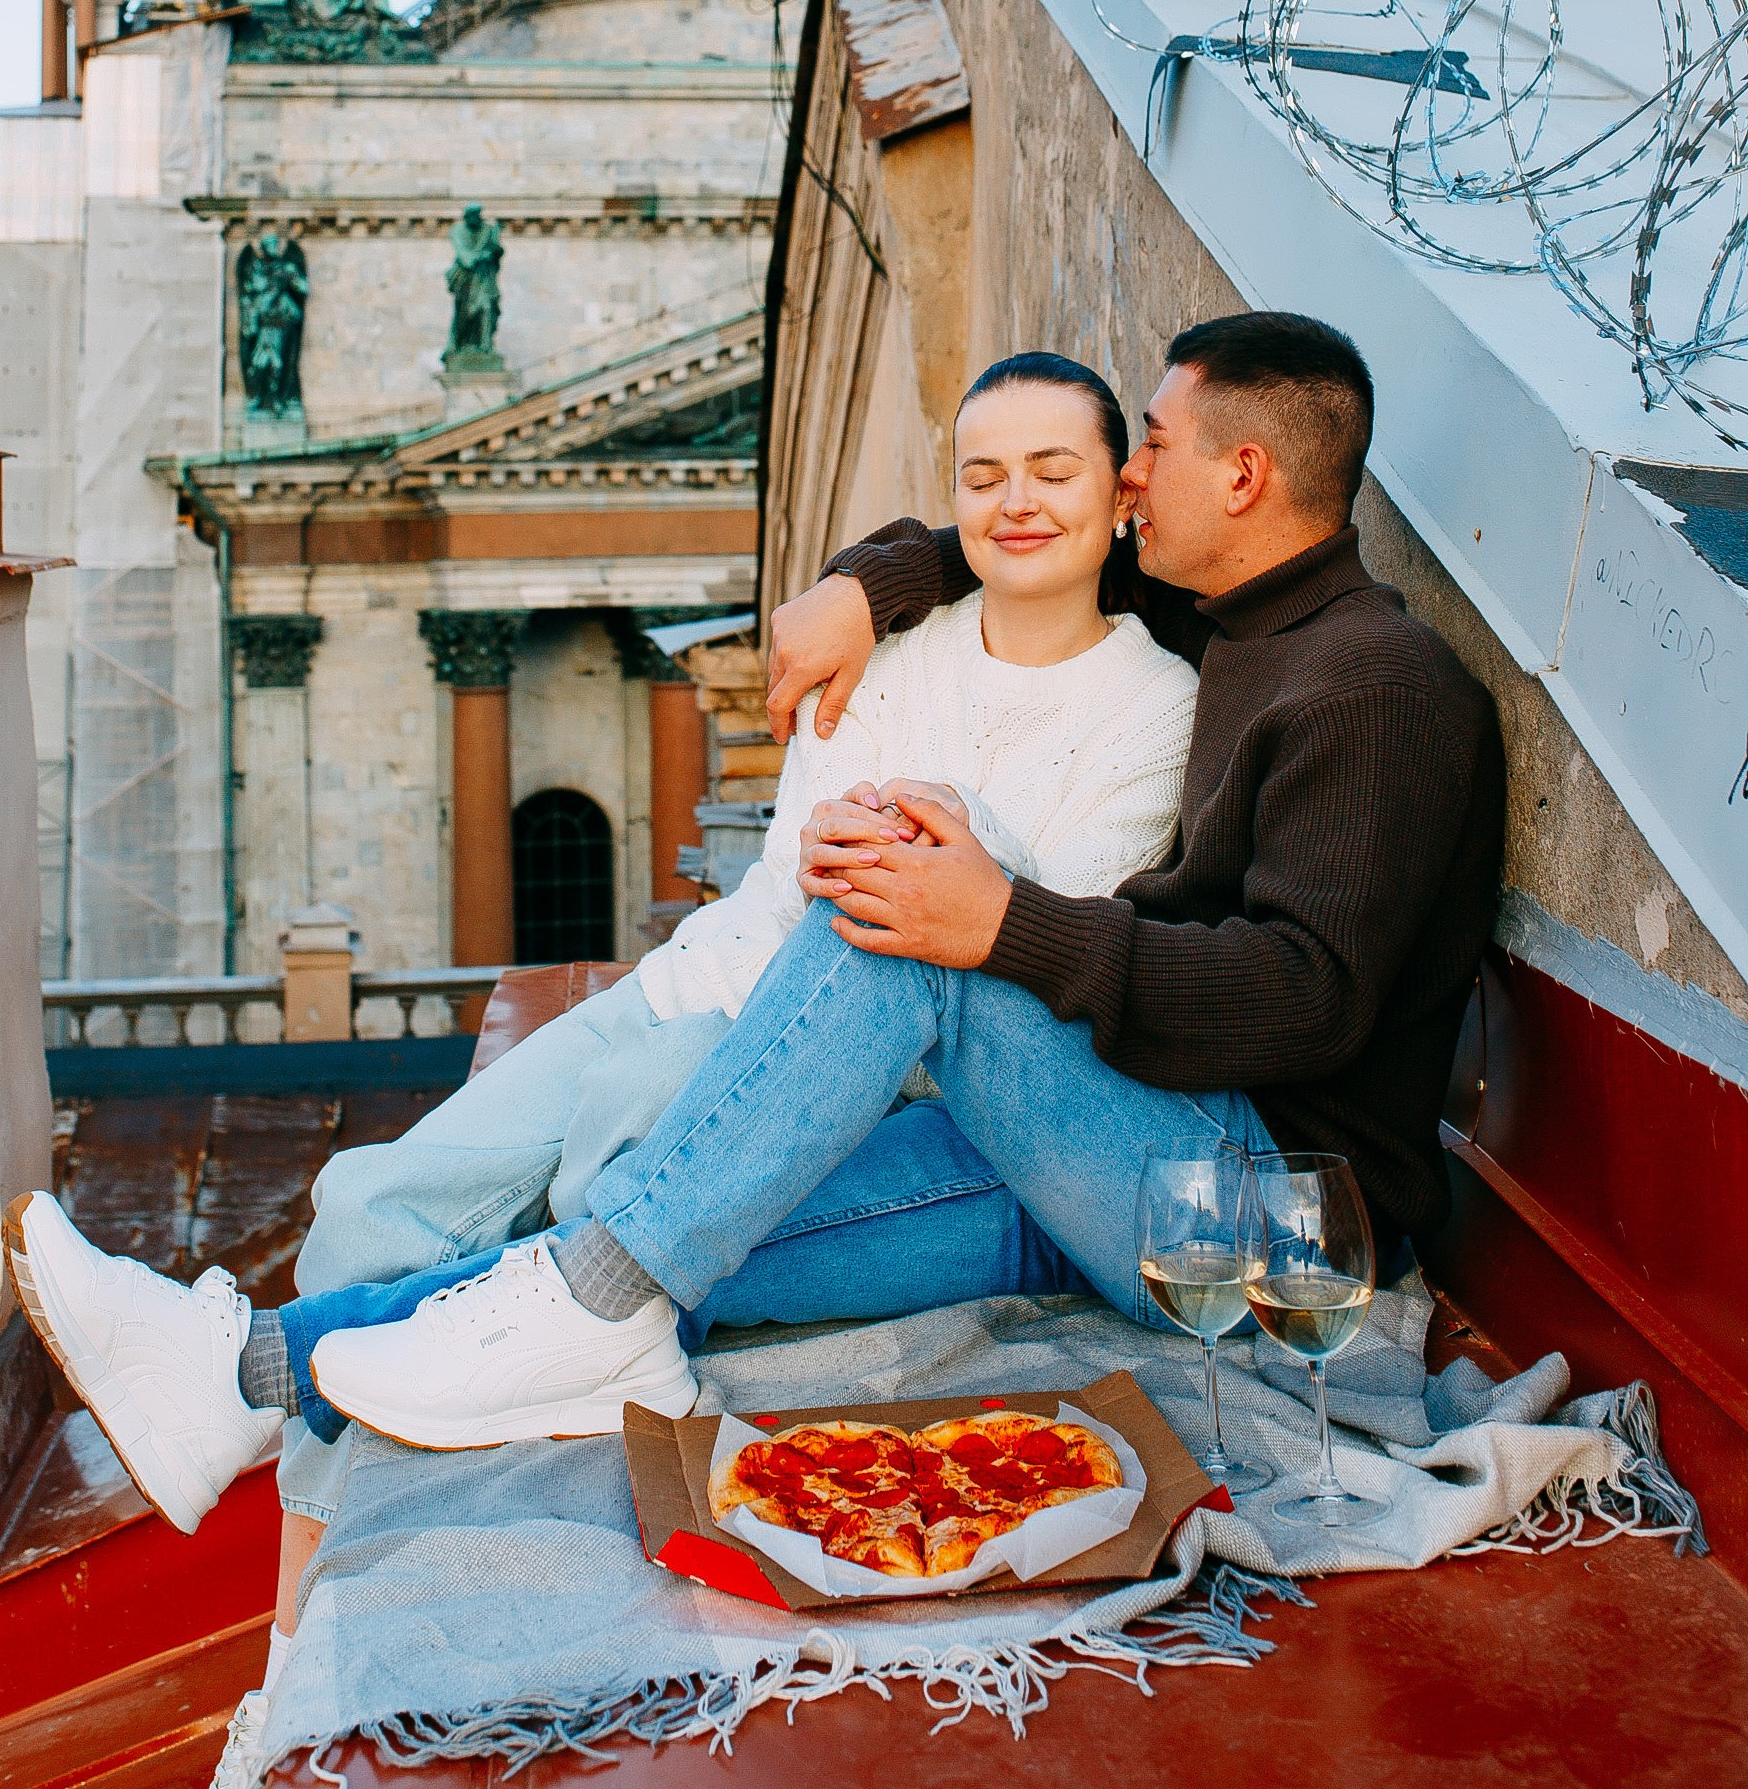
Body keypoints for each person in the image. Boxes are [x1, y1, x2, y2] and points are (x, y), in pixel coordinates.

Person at [1, 355, 1198, 1760]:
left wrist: (930, 838)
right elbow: (813, 867)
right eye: (982, 475)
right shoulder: (885, 643)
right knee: (366, 1204)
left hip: (834, 1050)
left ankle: (290, 1493)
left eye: (1053, 471)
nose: (1015, 502)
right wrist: (903, 778)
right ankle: (296, 1638)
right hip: (698, 981)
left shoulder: (1156, 703)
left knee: (589, 1214)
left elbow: (1023, 932)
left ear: (1121, 490)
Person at [276, 309, 1506, 1450]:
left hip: (1257, 1214)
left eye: (1154, 443)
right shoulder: (1227, 618)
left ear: (1240, 479)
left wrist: (1001, 922)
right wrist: (865, 587)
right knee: (681, 1232)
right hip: (1107, 1141)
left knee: (902, 903)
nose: (1131, 476)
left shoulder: (1376, 686)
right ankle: (268, 1371)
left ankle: (579, 1318)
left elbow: (1306, 998)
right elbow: (1007, 546)